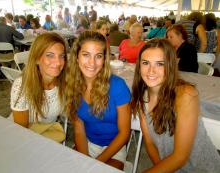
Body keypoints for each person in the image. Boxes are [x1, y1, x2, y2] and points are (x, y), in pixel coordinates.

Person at [131, 38, 220, 173]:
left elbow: (180, 157)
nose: (151, 71)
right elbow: (149, 143)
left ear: (170, 66)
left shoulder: (185, 95)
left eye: (160, 64)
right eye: (145, 63)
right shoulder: (142, 97)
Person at [65, 31, 131, 170]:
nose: (92, 63)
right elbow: (79, 131)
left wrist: (95, 163)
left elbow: (124, 133)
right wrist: (86, 159)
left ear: (104, 59)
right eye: (86, 54)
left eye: (98, 56)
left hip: (114, 148)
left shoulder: (118, 86)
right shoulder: (72, 86)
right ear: (76, 56)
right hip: (88, 144)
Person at [10, 32, 68, 143]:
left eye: (62, 56)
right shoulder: (22, 86)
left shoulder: (64, 81)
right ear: (37, 59)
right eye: (50, 55)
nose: (58, 62)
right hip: (25, 136)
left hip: (48, 132)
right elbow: (21, 132)